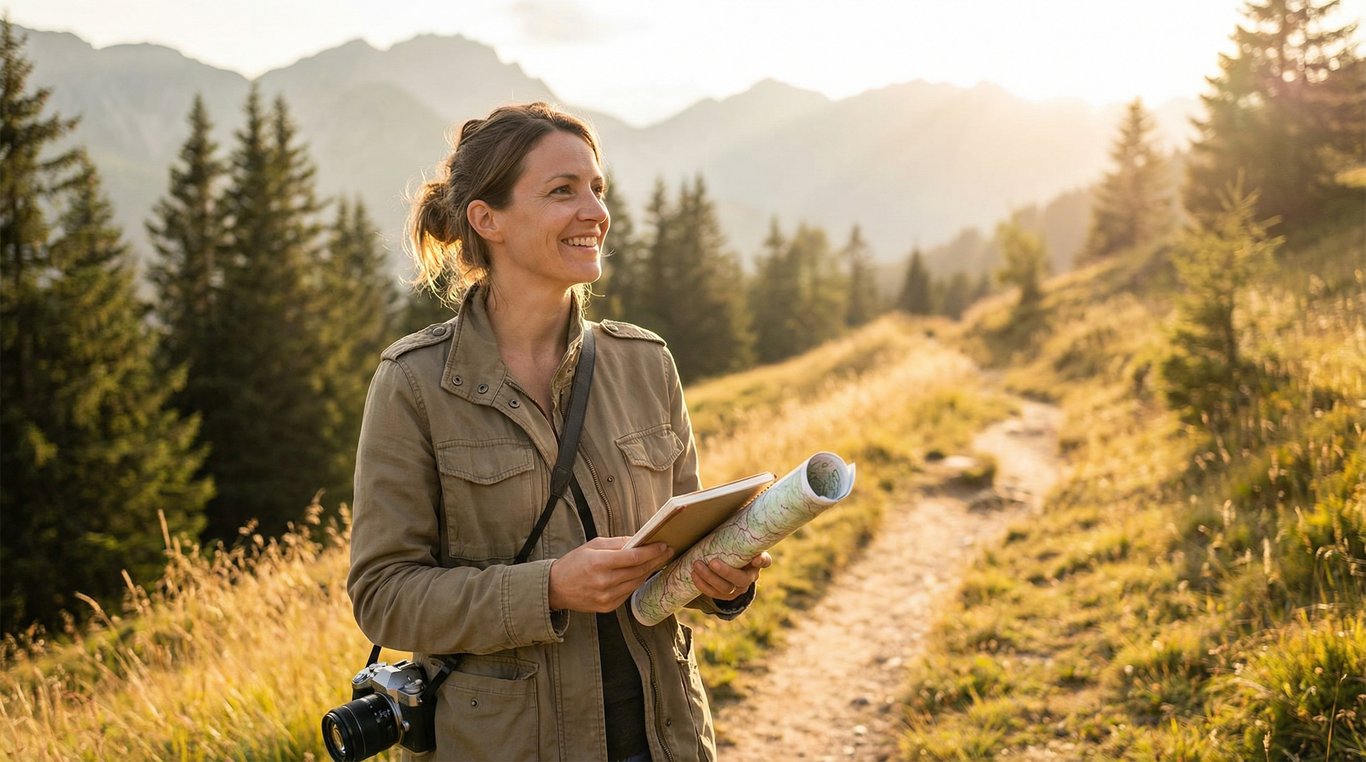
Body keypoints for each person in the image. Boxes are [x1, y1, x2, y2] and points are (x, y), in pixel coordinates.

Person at [347, 102, 772, 761]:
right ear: (488, 221)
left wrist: (725, 577)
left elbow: (681, 552)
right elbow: (384, 597)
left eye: (597, 189)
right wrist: (546, 588)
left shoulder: (646, 362)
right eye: (562, 191)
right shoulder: (413, 383)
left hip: (665, 737)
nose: (595, 212)